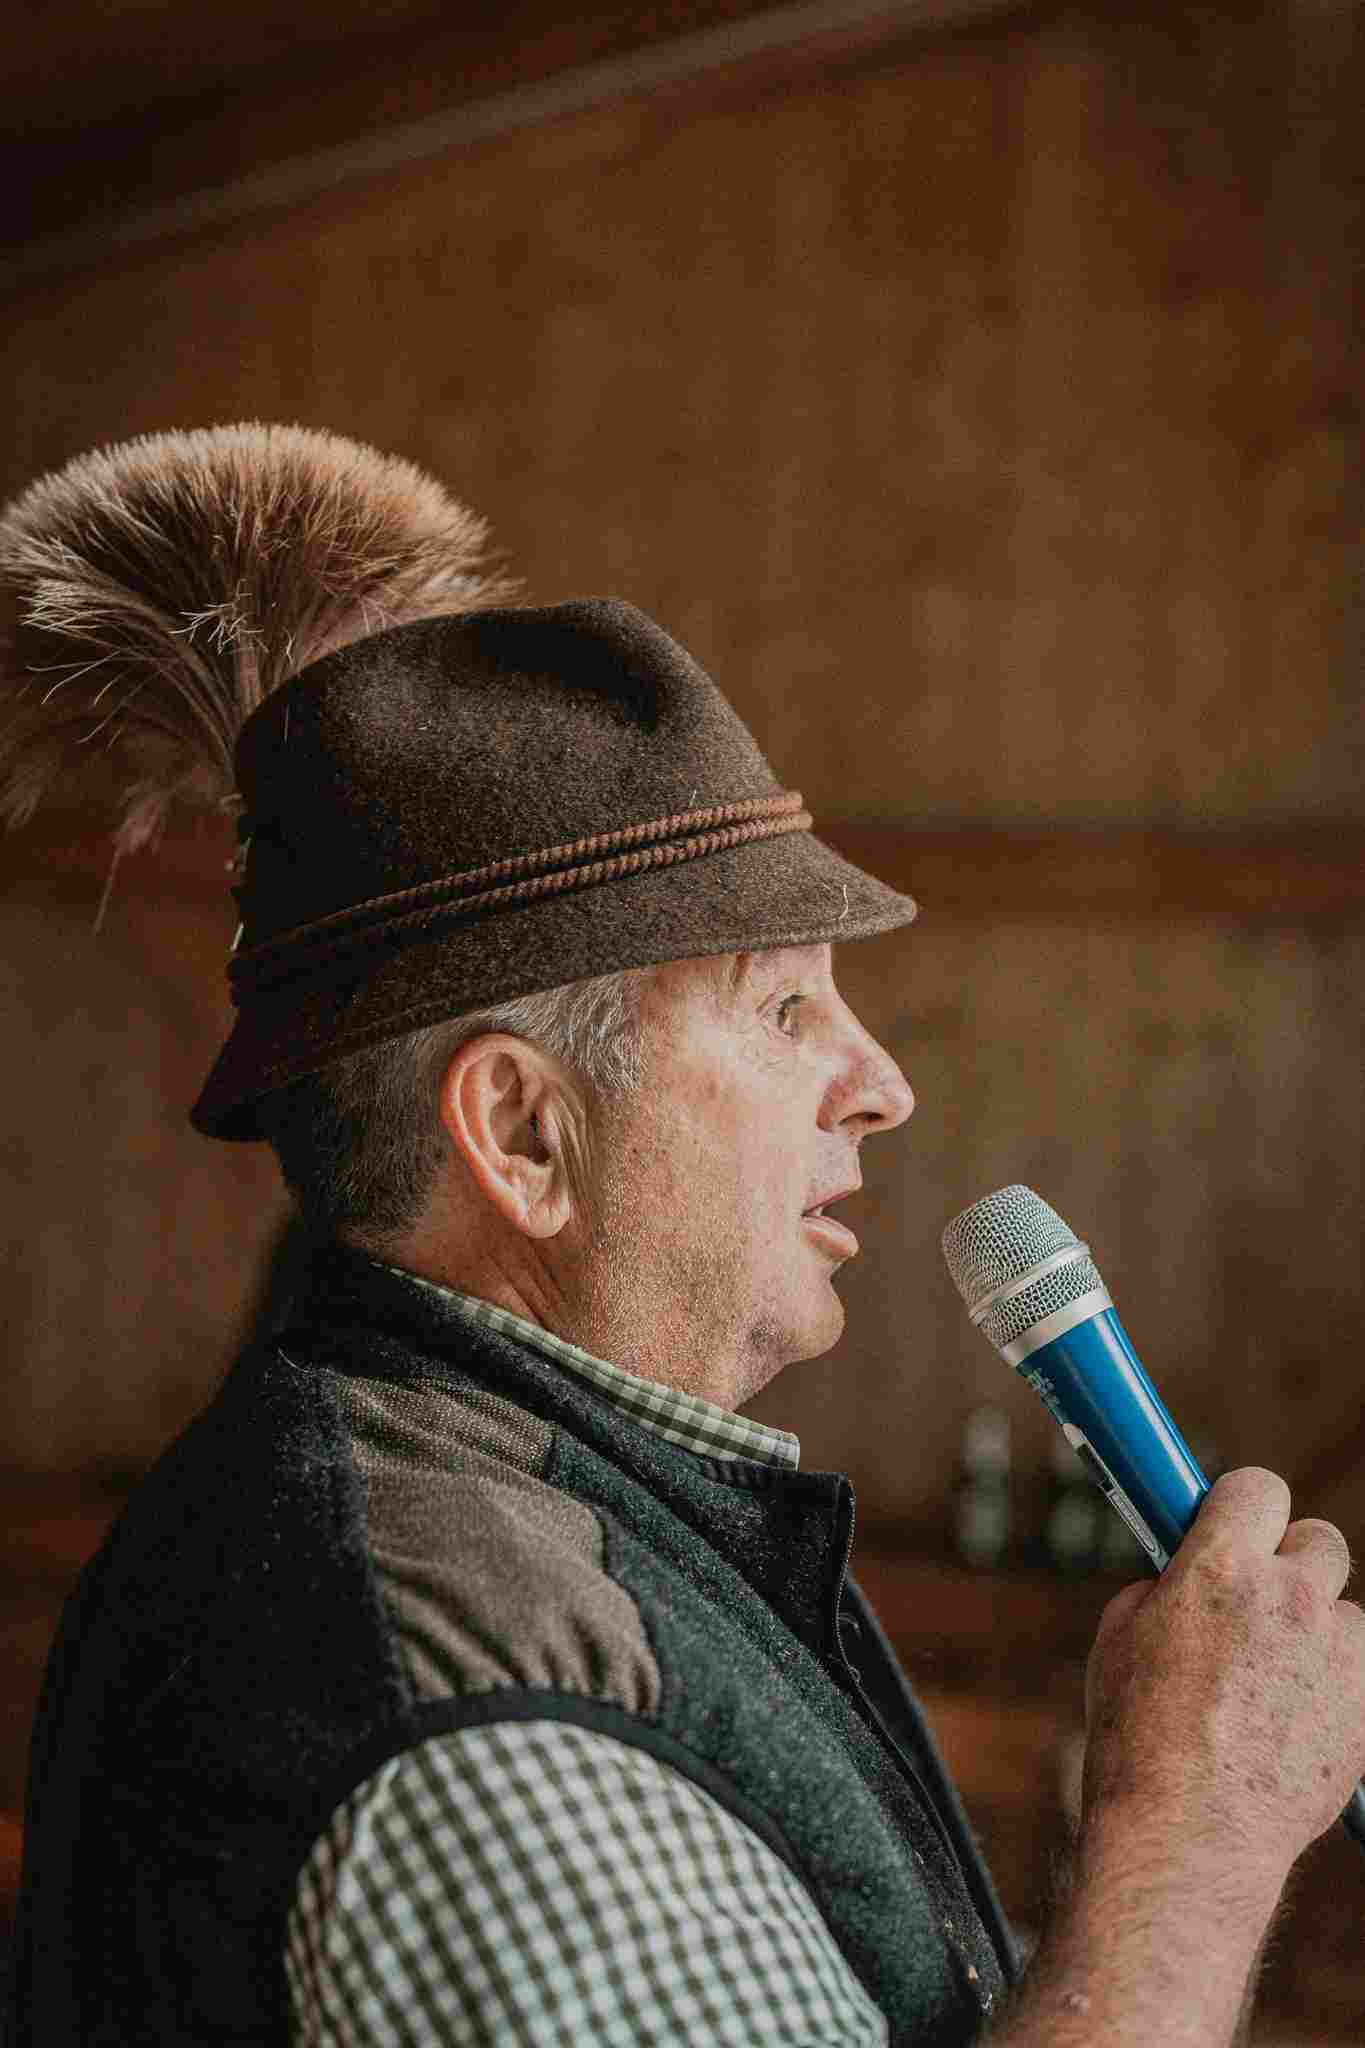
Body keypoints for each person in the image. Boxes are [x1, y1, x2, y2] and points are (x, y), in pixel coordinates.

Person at [3, 425, 1362, 2047]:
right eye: (783, 1009)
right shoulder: (480, 1721)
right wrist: (1194, 1835)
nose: (882, 1086)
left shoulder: (548, 1526)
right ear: (524, 1132)